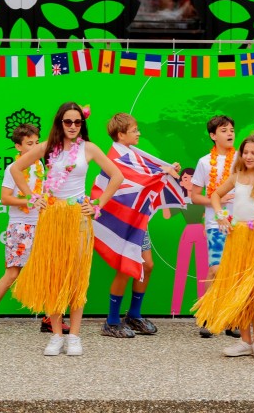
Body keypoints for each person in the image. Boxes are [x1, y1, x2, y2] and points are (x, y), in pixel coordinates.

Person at [10, 103, 123, 356]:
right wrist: (32, 197)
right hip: (52, 216)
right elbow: (16, 168)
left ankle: (74, 336)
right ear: (60, 123)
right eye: (68, 122)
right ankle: (56, 335)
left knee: (76, 275)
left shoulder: (89, 148)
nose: (73, 126)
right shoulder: (47, 147)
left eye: (77, 122)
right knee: (54, 275)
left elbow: (117, 176)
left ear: (82, 124)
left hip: (77, 215)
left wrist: (98, 204)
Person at [193, 134, 254, 360]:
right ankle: (245, 341)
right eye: (245, 152)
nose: (248, 156)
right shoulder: (236, 176)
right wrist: (220, 214)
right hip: (238, 240)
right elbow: (215, 195)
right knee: (240, 290)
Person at [0, 124, 70, 336]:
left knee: (48, 272)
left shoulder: (41, 167)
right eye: (29, 144)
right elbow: (5, 198)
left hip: (43, 224)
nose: (35, 147)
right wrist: (30, 199)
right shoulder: (13, 168)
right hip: (20, 226)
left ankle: (50, 317)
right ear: (18, 146)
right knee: (12, 273)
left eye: (37, 143)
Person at [98, 112, 182, 338]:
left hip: (136, 220)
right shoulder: (116, 156)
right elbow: (135, 178)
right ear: (120, 134)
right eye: (134, 130)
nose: (139, 133)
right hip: (123, 221)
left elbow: (145, 173)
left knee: (147, 265)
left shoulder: (132, 154)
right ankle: (112, 321)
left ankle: (134, 315)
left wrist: (166, 169)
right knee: (126, 267)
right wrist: (163, 171)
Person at [190, 115, 240, 338]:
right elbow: (194, 196)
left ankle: (232, 318)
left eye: (232, 130)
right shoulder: (204, 162)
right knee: (216, 269)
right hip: (215, 223)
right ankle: (208, 316)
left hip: (241, 223)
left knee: (235, 271)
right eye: (224, 130)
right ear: (213, 135)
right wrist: (217, 199)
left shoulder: (242, 158)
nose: (230, 133)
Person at [169, 168, 209, 316]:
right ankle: (175, 309)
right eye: (185, 178)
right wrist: (166, 195)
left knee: (203, 272)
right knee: (181, 269)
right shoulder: (181, 201)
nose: (189, 180)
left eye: (192, 177)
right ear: (181, 183)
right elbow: (167, 215)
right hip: (187, 233)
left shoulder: (202, 199)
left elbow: (208, 214)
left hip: (201, 232)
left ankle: (203, 309)